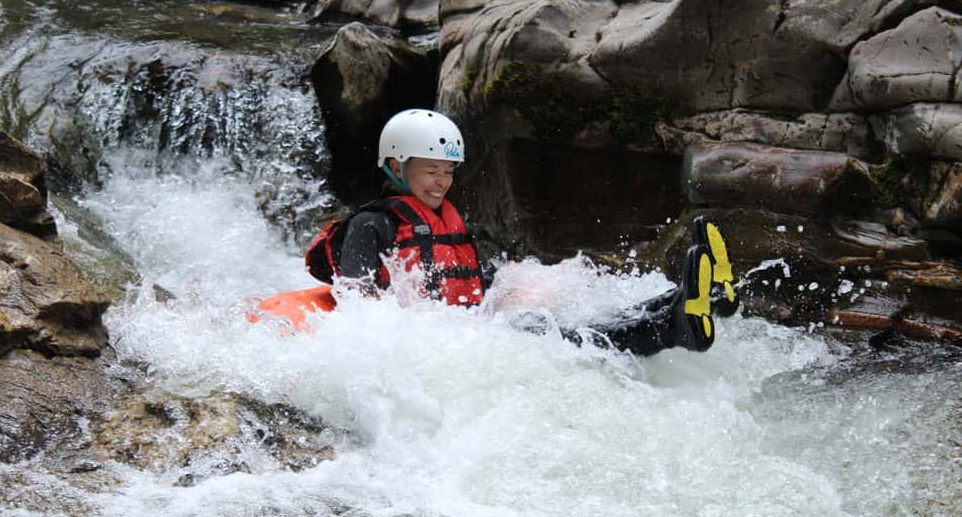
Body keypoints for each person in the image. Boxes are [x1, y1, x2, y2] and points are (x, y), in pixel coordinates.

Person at [306, 109, 738, 355]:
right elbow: (359, 306)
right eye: (431, 171)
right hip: (433, 346)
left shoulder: (446, 222)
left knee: (561, 322)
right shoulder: (371, 225)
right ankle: (673, 328)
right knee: (556, 338)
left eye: (448, 172)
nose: (441, 182)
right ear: (397, 168)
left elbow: (473, 280)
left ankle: (694, 300)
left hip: (464, 329)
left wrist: (515, 279)